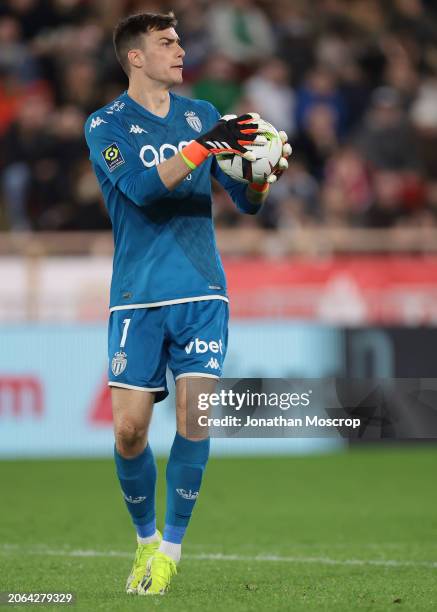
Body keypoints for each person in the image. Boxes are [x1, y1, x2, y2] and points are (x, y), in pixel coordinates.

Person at [84, 11, 290, 596]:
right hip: (137, 296)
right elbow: (146, 192)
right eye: (166, 43)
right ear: (135, 57)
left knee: (194, 415)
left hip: (203, 290)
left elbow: (244, 204)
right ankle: (145, 539)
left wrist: (260, 174)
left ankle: (171, 549)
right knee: (128, 431)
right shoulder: (105, 125)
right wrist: (206, 145)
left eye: (179, 40)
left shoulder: (201, 114)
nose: (180, 50)